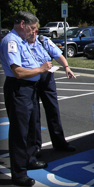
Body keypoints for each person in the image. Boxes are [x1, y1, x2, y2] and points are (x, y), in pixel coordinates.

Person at [0, 11, 52, 186]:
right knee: (19, 132)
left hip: (30, 89)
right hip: (19, 89)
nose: (34, 32)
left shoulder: (22, 41)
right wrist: (41, 69)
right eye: (32, 28)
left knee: (31, 127)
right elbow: (18, 72)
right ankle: (19, 173)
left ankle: (29, 159)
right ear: (22, 24)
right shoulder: (11, 41)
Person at [27, 26, 76, 157]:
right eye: (31, 30)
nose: (33, 33)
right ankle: (36, 147)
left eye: (36, 31)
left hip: (47, 78)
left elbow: (57, 54)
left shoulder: (43, 40)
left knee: (53, 110)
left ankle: (60, 142)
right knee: (34, 115)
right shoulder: (22, 43)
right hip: (31, 79)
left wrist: (66, 67)